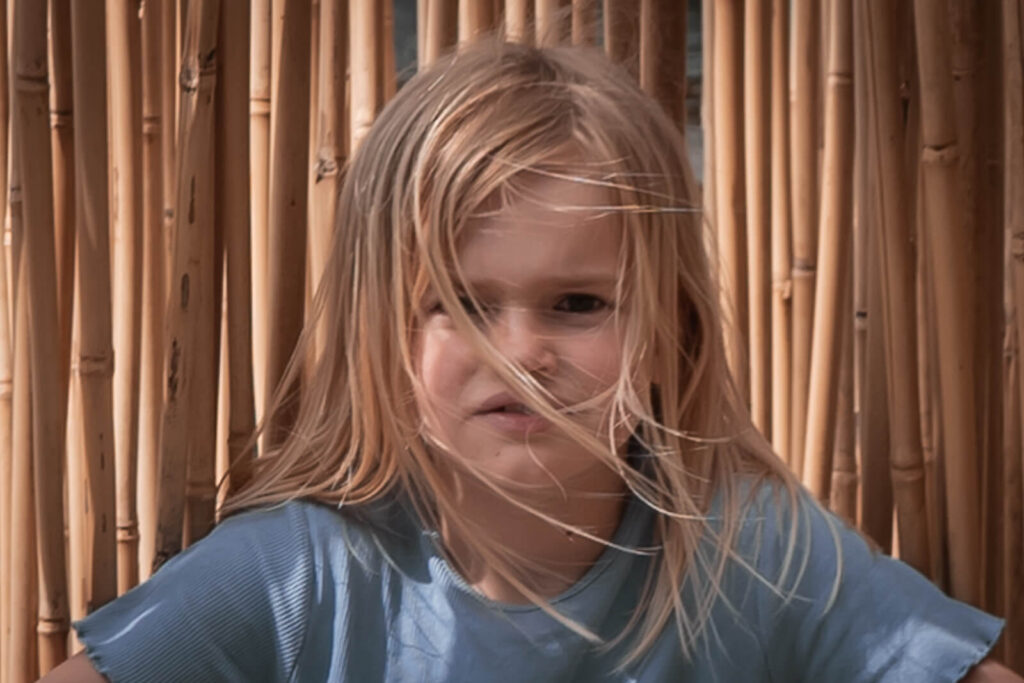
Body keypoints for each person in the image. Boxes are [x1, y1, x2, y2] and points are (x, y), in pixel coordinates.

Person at [45, 39, 1017, 682]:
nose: (519, 354)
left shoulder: (744, 550)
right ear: (379, 328)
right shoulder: (303, 572)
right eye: (461, 305)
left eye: (579, 304)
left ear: (667, 333)